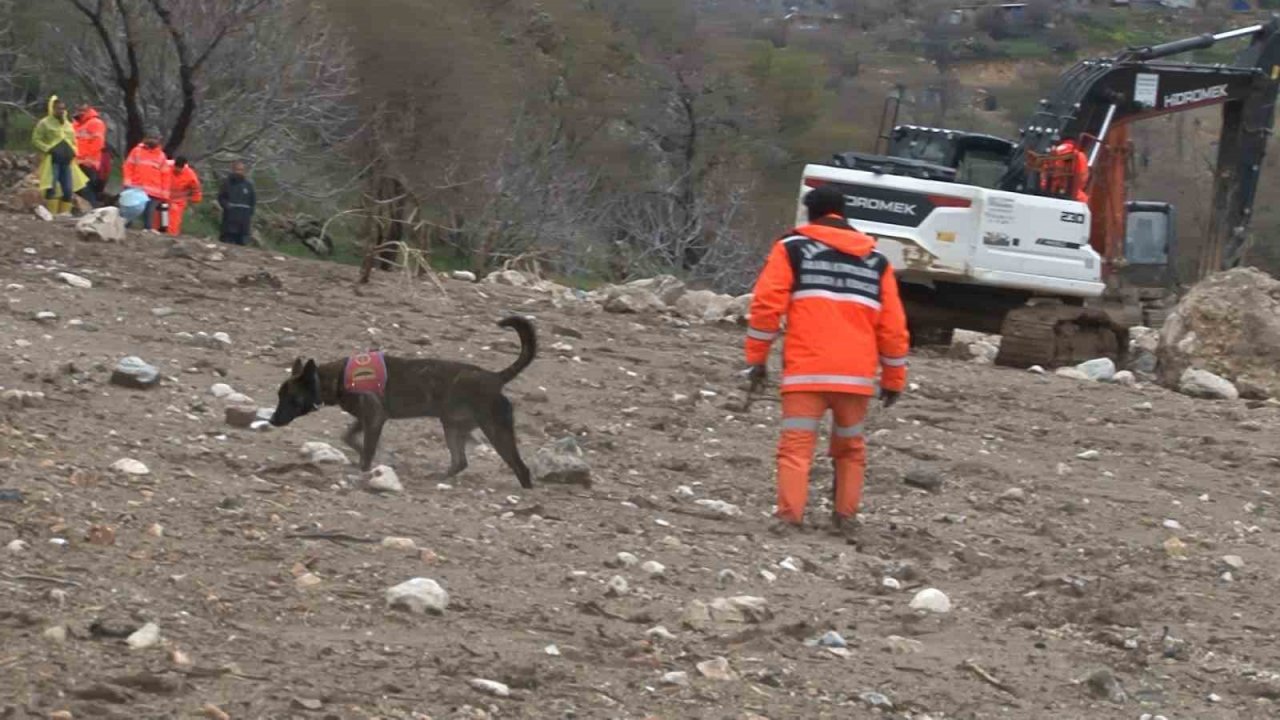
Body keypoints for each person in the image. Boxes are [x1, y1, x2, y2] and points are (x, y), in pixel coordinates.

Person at [743, 185, 910, 535]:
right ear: (843, 213)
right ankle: (845, 518)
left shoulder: (792, 249)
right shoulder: (876, 261)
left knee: (796, 448)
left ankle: (790, 517)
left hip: (807, 372)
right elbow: (893, 327)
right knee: (851, 450)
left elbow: (766, 307)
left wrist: (757, 360)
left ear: (811, 213)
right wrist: (894, 378)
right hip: (857, 377)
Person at [30, 96, 89, 217]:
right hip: (53, 160)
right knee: (51, 187)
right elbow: (36, 140)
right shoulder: (44, 123)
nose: (61, 111)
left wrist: (74, 150)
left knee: (68, 190)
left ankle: (63, 214)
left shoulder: (68, 124)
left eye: (62, 108)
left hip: (67, 161)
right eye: (58, 108)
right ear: (52, 109)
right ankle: (51, 214)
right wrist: (48, 148)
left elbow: (74, 140)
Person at [123, 130, 170, 231]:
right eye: (151, 138)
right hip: (137, 187)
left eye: (155, 139)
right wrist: (127, 182)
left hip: (154, 191)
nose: (153, 141)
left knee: (149, 213)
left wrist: (165, 194)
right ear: (145, 139)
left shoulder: (161, 156)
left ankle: (147, 230)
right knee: (132, 209)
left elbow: (165, 175)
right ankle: (125, 227)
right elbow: (128, 166)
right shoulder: (136, 151)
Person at [73, 104, 108, 206]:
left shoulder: (96, 123)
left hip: (88, 162)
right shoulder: (76, 124)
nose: (79, 113)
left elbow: (98, 143)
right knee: (79, 187)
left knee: (86, 187)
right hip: (76, 161)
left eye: (82, 110)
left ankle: (93, 207)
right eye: (78, 110)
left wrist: (83, 156)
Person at [216, 160, 256, 246]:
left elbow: (252, 201)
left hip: (243, 223)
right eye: (237, 170)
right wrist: (227, 206)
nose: (239, 172)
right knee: (226, 244)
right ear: (233, 170)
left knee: (242, 246)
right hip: (229, 221)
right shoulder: (227, 183)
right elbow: (221, 197)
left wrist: (250, 212)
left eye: (241, 170)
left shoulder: (248, 185)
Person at [165, 156, 203, 236]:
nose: (177, 170)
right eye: (176, 168)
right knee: (160, 218)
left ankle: (171, 236)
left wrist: (195, 199)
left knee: (173, 220)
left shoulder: (190, 174)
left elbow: (196, 188)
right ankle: (159, 233)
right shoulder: (166, 166)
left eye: (179, 169)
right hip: (163, 198)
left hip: (178, 201)